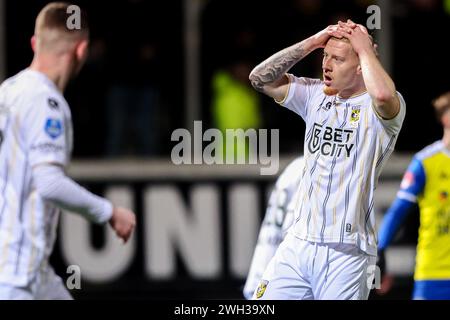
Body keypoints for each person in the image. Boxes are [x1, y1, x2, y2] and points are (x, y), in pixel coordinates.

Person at [248, 20, 406, 300]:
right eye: (326, 56)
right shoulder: (314, 95)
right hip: (298, 242)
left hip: (347, 252)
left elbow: (382, 93)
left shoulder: (382, 109)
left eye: (338, 59)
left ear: (361, 66)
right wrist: (313, 42)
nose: (327, 65)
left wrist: (364, 49)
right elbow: (259, 79)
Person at [0, 2, 136, 300]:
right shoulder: (45, 102)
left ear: (35, 43)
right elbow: (48, 183)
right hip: (15, 275)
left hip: (32, 272)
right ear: (81, 50)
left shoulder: (8, 91)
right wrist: (109, 212)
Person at [378, 92, 450, 300]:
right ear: (444, 118)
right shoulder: (426, 162)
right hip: (434, 272)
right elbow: (398, 211)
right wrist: (380, 250)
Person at [243, 156, 304, 299]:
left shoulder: (295, 167)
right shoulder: (303, 168)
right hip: (290, 275)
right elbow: (275, 235)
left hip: (272, 273)